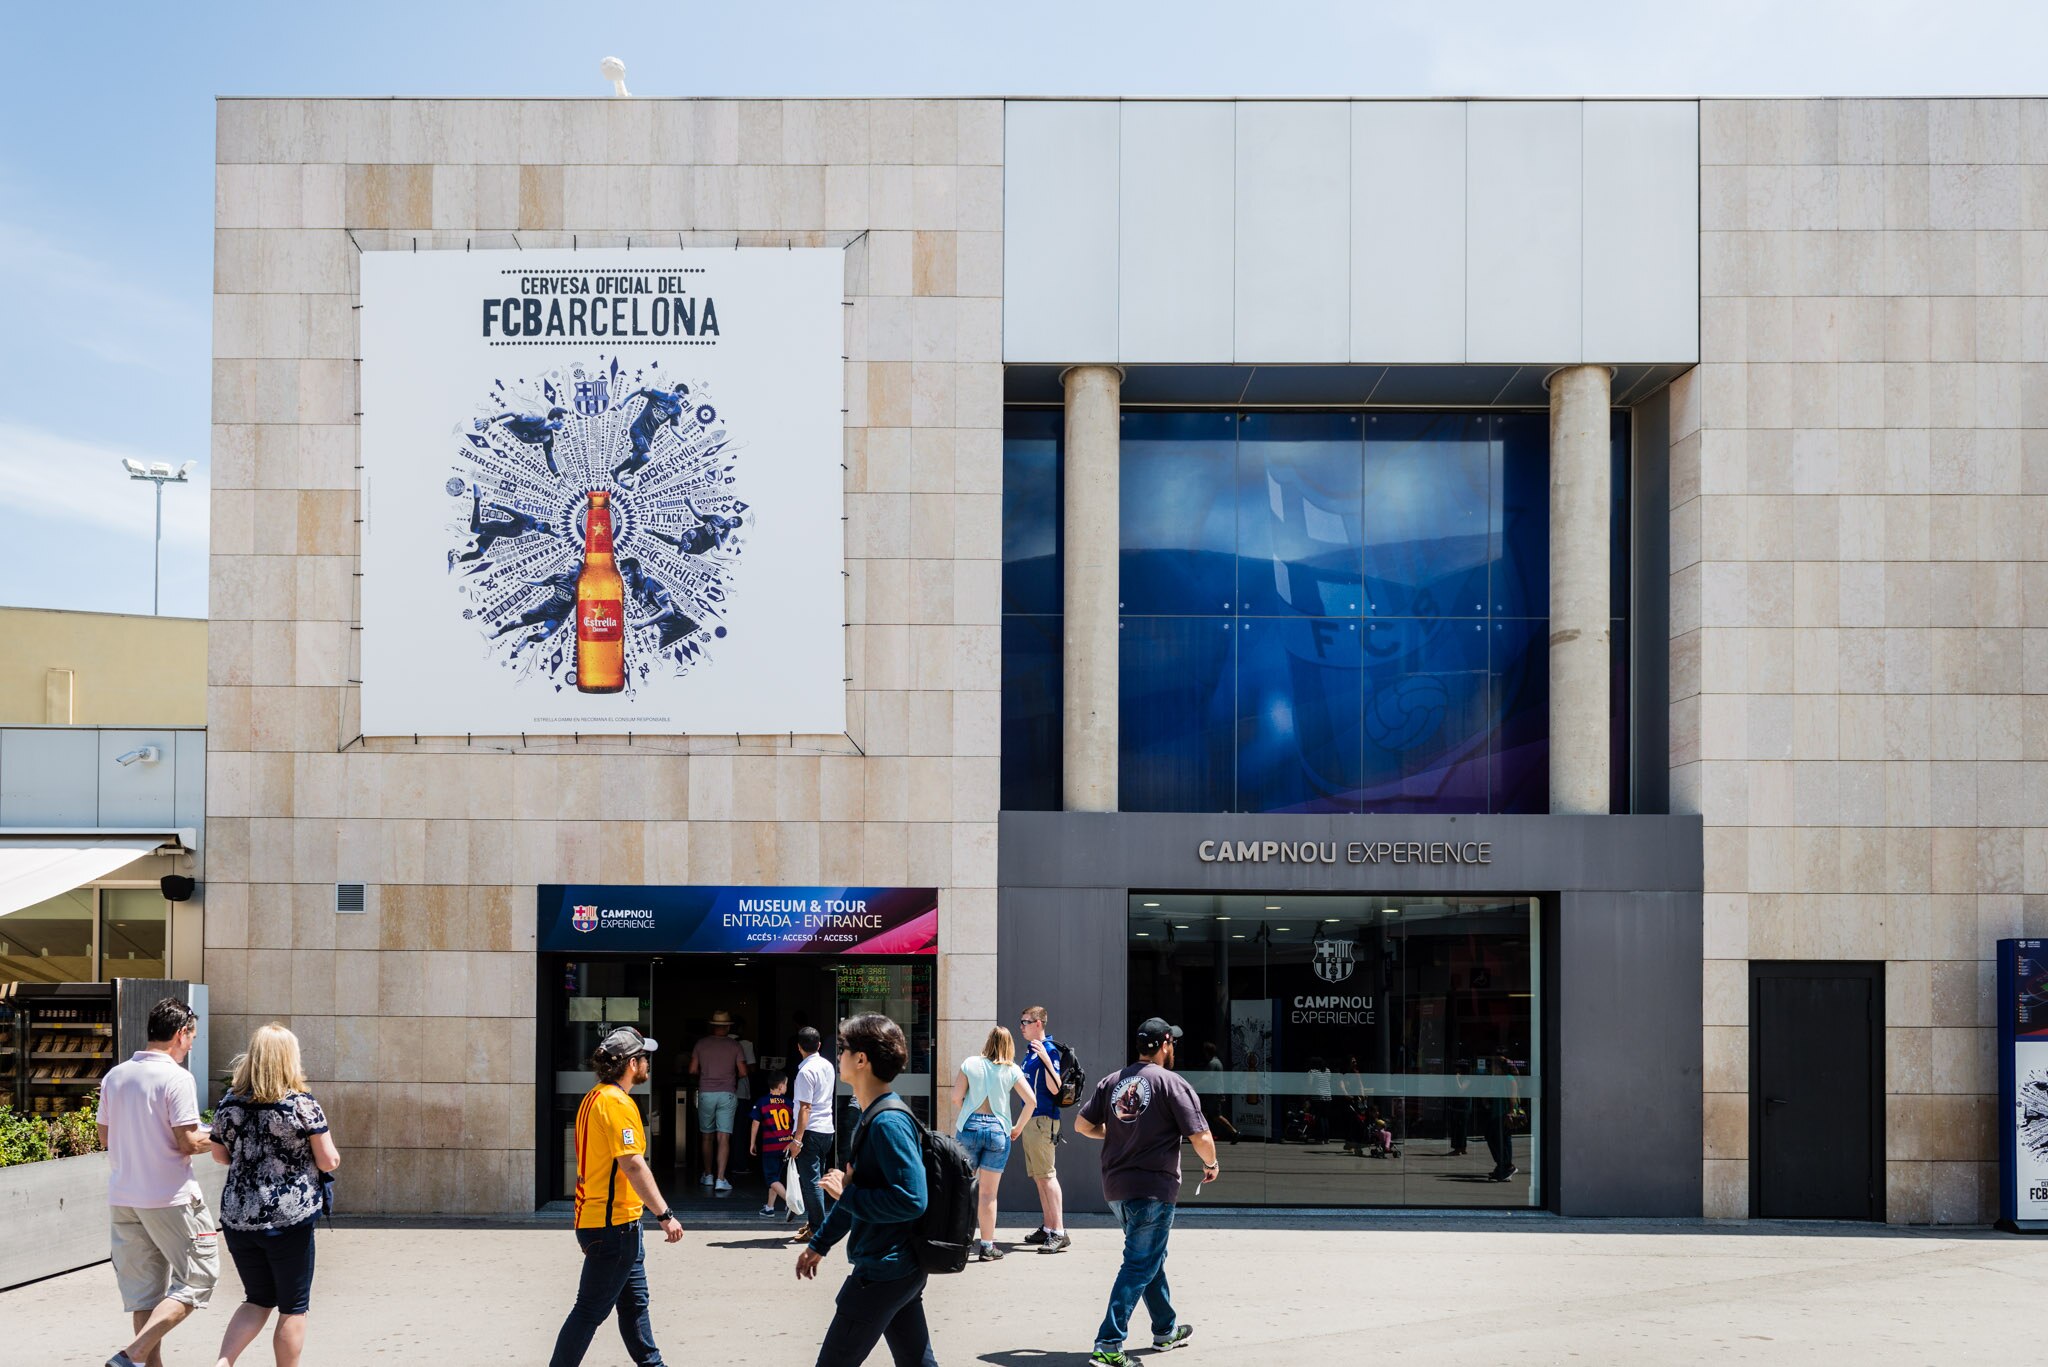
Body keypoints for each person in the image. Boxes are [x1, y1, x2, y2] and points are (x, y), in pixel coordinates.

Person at [1073, 1017, 1215, 1366]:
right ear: (1165, 1043)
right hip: (1153, 1188)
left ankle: (1166, 1329)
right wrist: (1211, 1164)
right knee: (1139, 1264)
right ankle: (1108, 1344)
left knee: (1151, 1258)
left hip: (1117, 1189)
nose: (1174, 1049)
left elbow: (1081, 1125)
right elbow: (1200, 1136)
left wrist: (1119, 1134)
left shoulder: (1113, 1081)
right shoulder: (1171, 1083)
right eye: (1173, 1044)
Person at [795, 1014, 935, 1367]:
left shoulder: (888, 1122)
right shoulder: (871, 1116)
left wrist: (846, 1193)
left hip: (884, 1271)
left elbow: (912, 1199)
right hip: (895, 1267)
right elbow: (856, 1194)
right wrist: (820, 1243)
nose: (837, 1056)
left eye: (842, 1049)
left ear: (862, 1060)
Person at [206, 1023, 341, 1367]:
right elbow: (329, 1160)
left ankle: (222, 1363)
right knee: (293, 1307)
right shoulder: (302, 1105)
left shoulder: (228, 1104)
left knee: (257, 1299)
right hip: (288, 1220)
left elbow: (219, 1156)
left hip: (238, 1219)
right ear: (289, 1060)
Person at [549, 1026, 684, 1367]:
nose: (648, 1064)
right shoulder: (617, 1103)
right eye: (644, 1058)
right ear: (631, 1063)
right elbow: (632, 1164)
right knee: (589, 1311)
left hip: (615, 1223)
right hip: (612, 1228)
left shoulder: (595, 1097)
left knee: (635, 1304)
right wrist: (665, 1214)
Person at [98, 996, 218, 1367]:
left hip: (124, 1198)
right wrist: (226, 1133)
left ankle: (138, 1362)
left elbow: (105, 1138)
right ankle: (132, 1354)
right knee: (199, 1278)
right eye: (192, 1037)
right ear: (181, 1034)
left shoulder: (115, 1075)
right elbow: (189, 1141)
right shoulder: (177, 1078)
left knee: (145, 1297)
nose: (192, 1045)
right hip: (170, 1198)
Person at [949, 1025, 1036, 1262]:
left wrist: (968, 1108)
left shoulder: (970, 1064)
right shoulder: (1011, 1070)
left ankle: (956, 1243)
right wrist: (1017, 1127)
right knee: (989, 1194)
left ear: (988, 1041)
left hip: (970, 1128)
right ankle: (987, 1246)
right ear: (1009, 1046)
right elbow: (1031, 1101)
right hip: (999, 1131)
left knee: (962, 1188)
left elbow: (956, 1097)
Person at [1016, 1004, 1069, 1252]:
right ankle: (1048, 1227)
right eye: (1021, 1022)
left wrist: (1047, 1059)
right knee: (1039, 1177)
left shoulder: (1048, 1049)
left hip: (1044, 1119)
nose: (1022, 1027)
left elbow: (1055, 1088)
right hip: (1032, 1120)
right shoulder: (1031, 1051)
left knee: (1047, 1175)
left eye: (1026, 1022)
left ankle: (1059, 1231)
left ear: (1039, 1023)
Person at [690, 1010, 749, 1193]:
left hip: (706, 1093)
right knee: (723, 1137)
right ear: (728, 1026)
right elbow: (743, 1072)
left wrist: (706, 1076)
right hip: (727, 1094)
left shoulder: (701, 1044)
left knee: (706, 1135)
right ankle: (720, 1179)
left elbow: (692, 1070)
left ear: (712, 1025)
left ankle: (708, 1175)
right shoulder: (735, 1046)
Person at [788, 1025, 836, 1245]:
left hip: (811, 1131)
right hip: (827, 1129)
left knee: (811, 1182)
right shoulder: (827, 1065)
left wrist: (797, 1139)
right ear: (818, 1045)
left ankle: (817, 1228)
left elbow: (805, 1108)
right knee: (817, 1181)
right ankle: (815, 1222)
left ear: (799, 1047)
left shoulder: (805, 1072)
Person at [750, 1073, 796, 1220]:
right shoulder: (789, 1103)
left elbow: (755, 1123)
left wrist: (752, 1143)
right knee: (775, 1178)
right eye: (786, 1085)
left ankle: (790, 1202)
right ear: (781, 1086)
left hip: (771, 1146)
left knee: (771, 1179)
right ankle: (769, 1208)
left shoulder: (763, 1102)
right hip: (786, 1145)